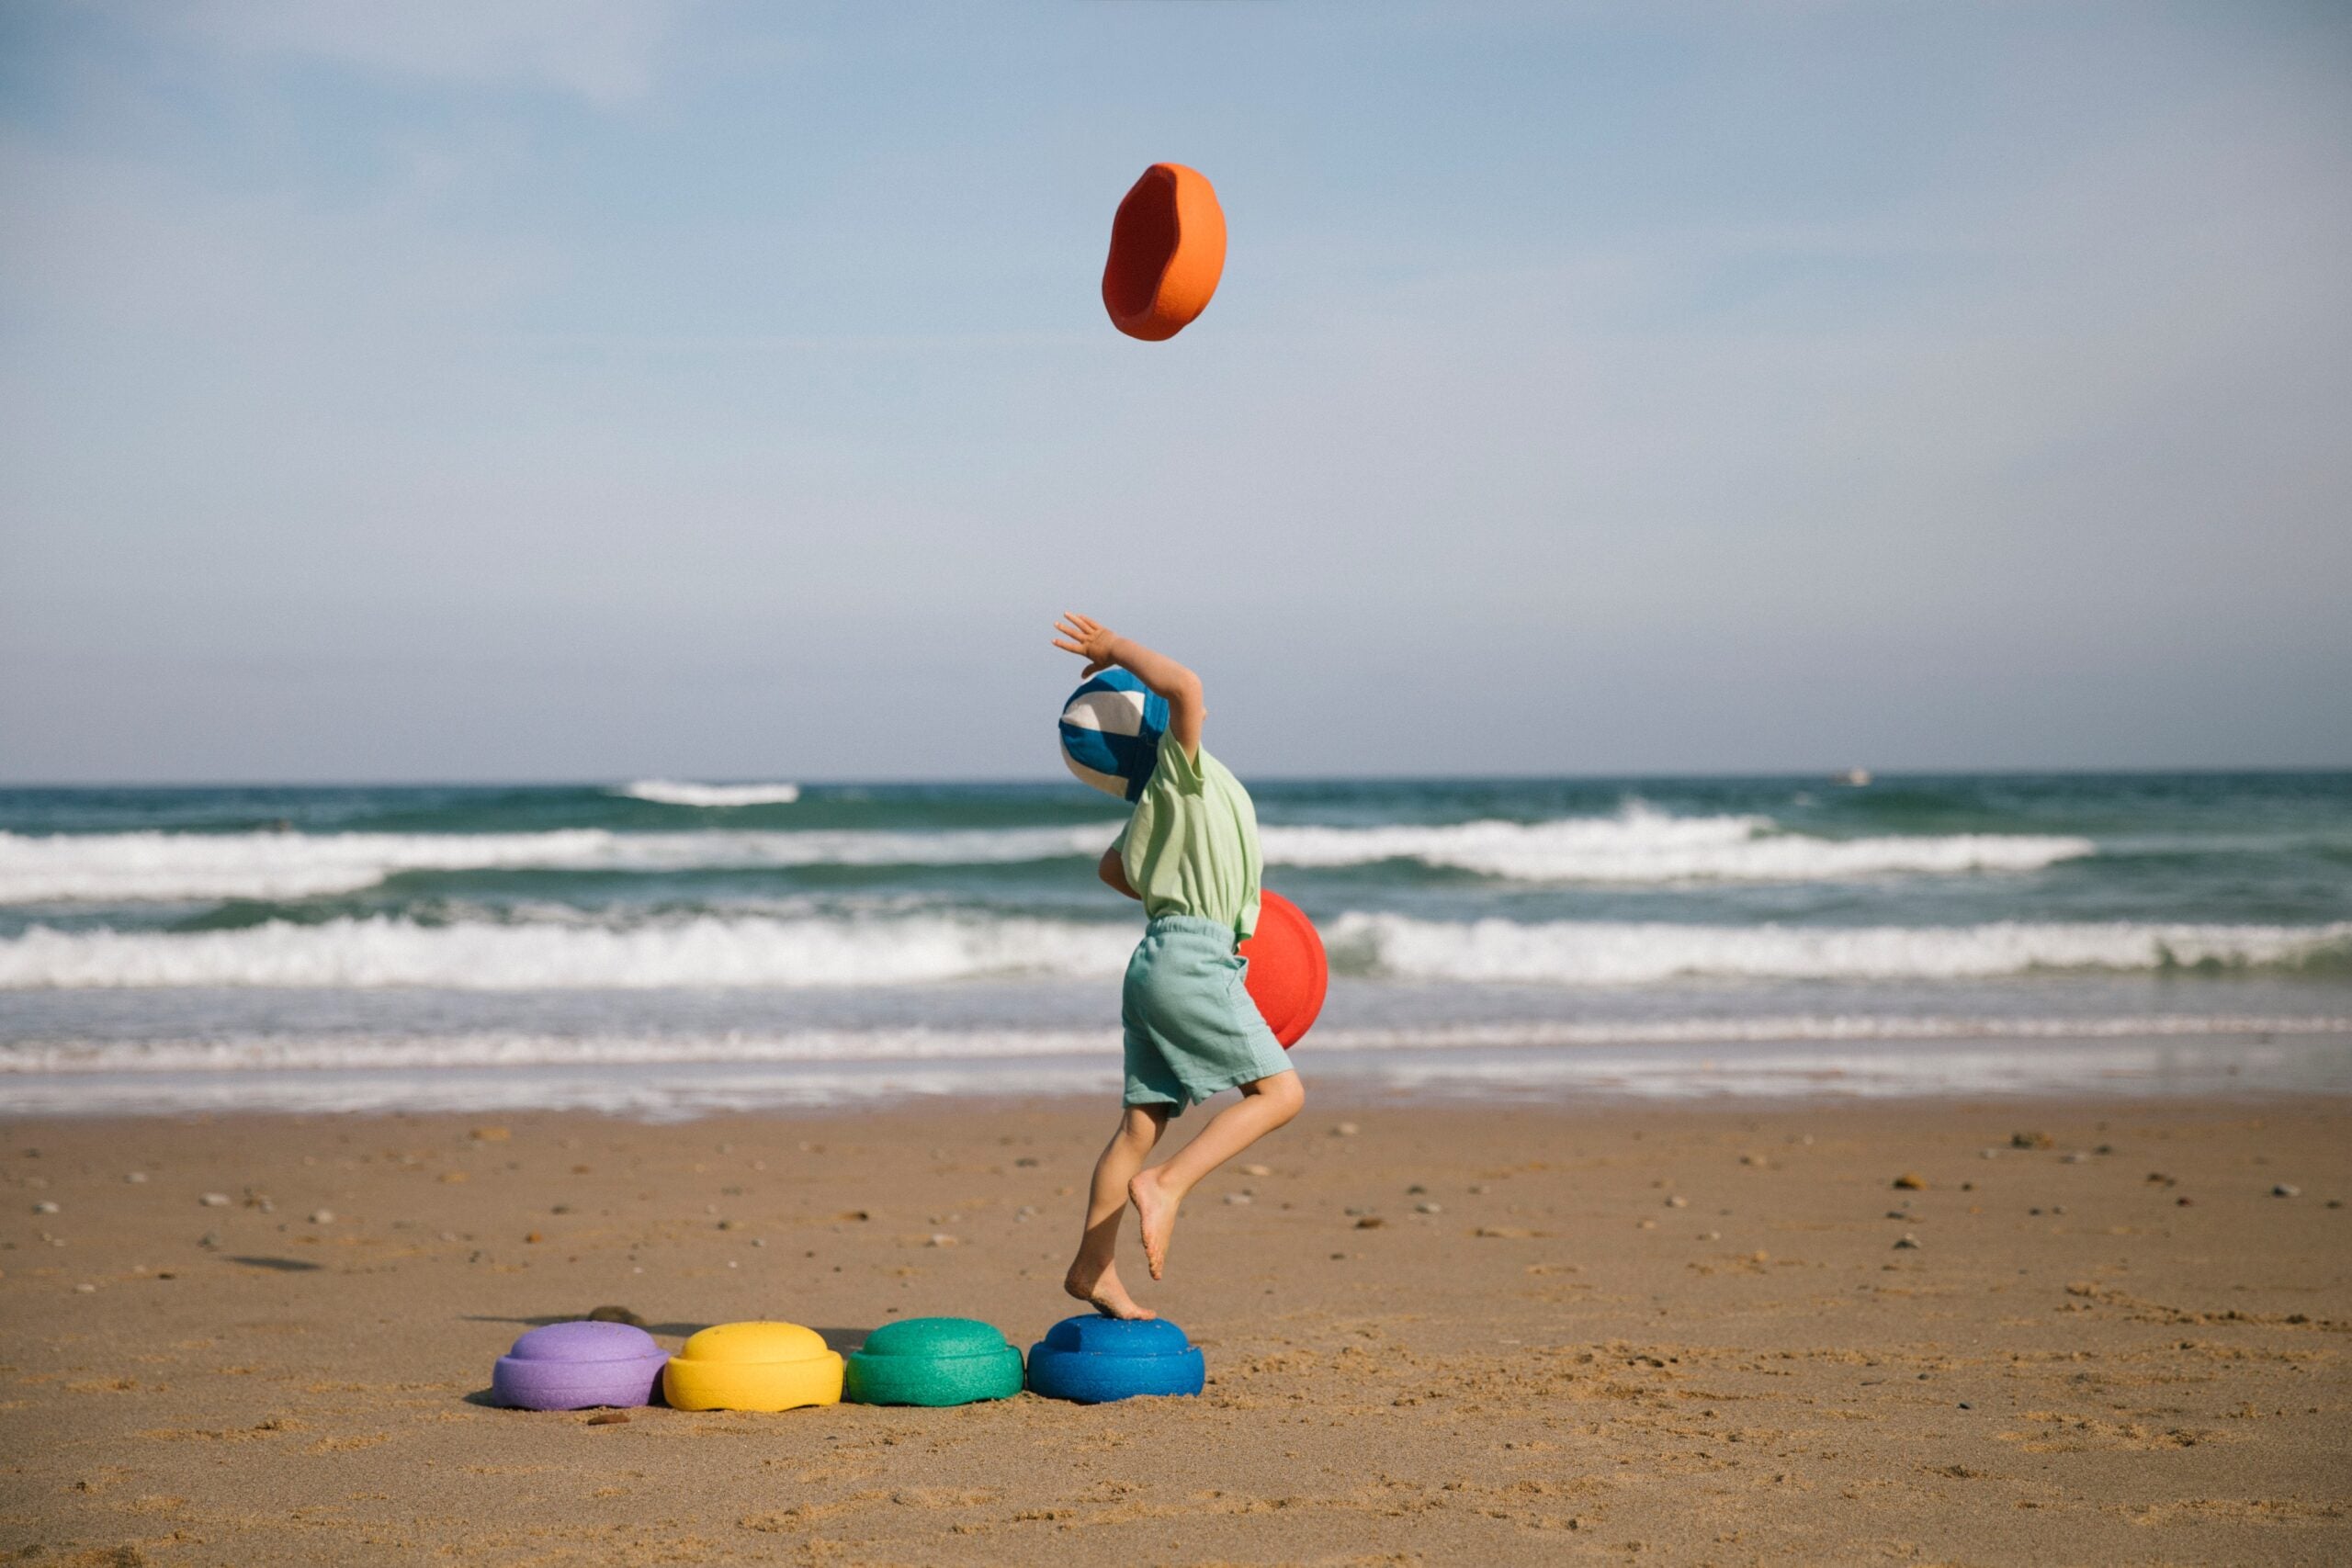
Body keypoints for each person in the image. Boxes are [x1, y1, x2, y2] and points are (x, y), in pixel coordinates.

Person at [1050, 613, 1306, 1320]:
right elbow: (1187, 685)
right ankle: (1167, 1185)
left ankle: (1091, 1266)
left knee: (1138, 1125)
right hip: (1194, 955)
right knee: (1281, 1095)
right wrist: (1113, 649)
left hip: (1155, 959)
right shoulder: (1181, 766)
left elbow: (1111, 869)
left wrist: (1169, 884)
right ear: (1158, 722)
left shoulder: (1152, 804)